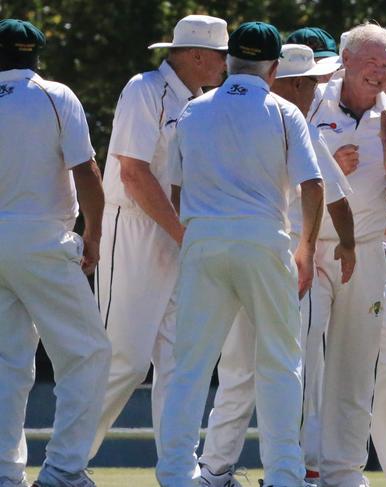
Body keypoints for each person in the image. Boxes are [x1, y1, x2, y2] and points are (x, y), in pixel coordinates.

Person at [155, 22, 324, 487]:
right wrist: (306, 247)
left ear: (229, 61)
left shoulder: (193, 111)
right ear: (273, 68)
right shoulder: (284, 111)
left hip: (204, 238)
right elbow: (313, 185)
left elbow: (175, 186)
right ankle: (285, 475)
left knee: (190, 363)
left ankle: (174, 472)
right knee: (279, 361)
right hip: (263, 239)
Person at [197, 43, 352, 487]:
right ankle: (293, 470)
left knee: (237, 371)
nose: (319, 88)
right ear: (289, 80)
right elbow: (331, 195)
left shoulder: (223, 116)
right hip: (279, 263)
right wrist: (346, 246)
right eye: (313, 81)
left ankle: (214, 468)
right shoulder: (291, 119)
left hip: (224, 254)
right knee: (284, 369)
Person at [90, 15, 229, 458]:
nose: (227, 64)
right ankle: (66, 462)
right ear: (197, 56)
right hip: (134, 228)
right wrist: (184, 236)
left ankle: (178, 469)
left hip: (178, 232)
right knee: (123, 359)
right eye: (222, 55)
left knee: (180, 361)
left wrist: (192, 235)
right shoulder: (145, 89)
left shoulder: (201, 101)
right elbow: (132, 173)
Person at [308, 22, 386, 487]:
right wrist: (331, 170)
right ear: (345, 60)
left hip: (368, 256)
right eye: (372, 63)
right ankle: (301, 465)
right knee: (303, 362)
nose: (381, 73)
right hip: (310, 251)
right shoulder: (309, 104)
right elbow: (280, 183)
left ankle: (343, 471)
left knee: (361, 367)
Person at [0, 19, 111, 487]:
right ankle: (64, 470)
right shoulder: (54, 94)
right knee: (87, 354)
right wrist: (94, 236)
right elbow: (86, 171)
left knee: (7, 363)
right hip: (41, 239)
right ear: (35, 56)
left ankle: (5, 473)